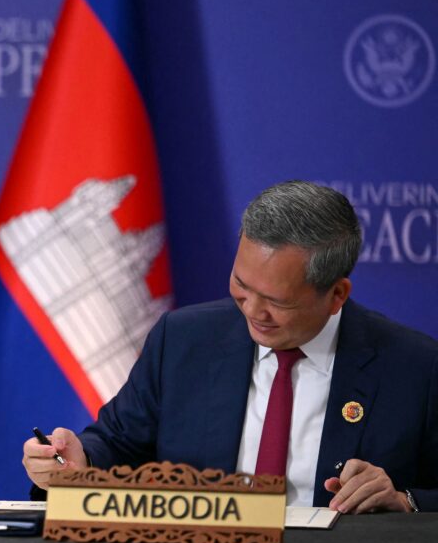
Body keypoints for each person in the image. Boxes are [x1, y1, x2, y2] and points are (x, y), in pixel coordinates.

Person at [23, 181, 438, 513]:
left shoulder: (414, 367)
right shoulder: (183, 339)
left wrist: (405, 500)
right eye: (241, 285)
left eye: (277, 301)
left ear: (336, 295)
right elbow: (118, 442)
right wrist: (79, 461)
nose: (253, 312)